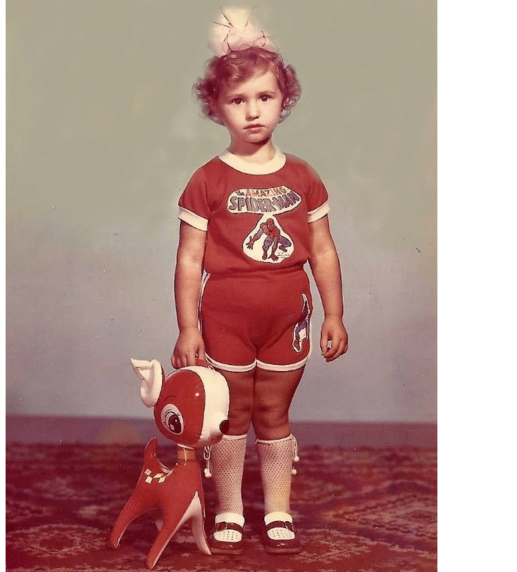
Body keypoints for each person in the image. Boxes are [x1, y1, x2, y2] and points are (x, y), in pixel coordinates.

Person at [171, 8, 348, 556]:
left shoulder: (303, 175)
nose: (252, 111)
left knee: (273, 413)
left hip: (287, 318)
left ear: (283, 98)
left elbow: (323, 249)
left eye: (264, 97)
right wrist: (187, 329)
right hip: (224, 318)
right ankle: (229, 507)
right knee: (232, 415)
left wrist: (335, 313)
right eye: (237, 100)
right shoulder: (207, 179)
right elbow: (189, 260)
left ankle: (277, 509)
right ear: (216, 107)